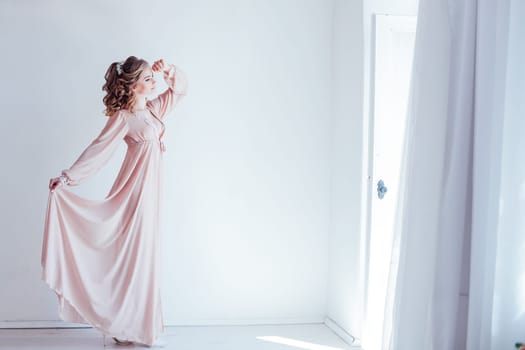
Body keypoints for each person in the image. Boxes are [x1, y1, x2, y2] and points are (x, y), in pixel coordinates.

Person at [41, 56, 188, 347]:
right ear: (132, 86)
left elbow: (180, 90)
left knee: (145, 254)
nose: (153, 82)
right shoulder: (123, 117)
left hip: (152, 191)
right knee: (132, 253)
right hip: (134, 191)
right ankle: (122, 322)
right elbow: (98, 149)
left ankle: (134, 324)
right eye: (147, 79)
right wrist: (68, 178)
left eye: (152, 78)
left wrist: (169, 70)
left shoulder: (155, 110)